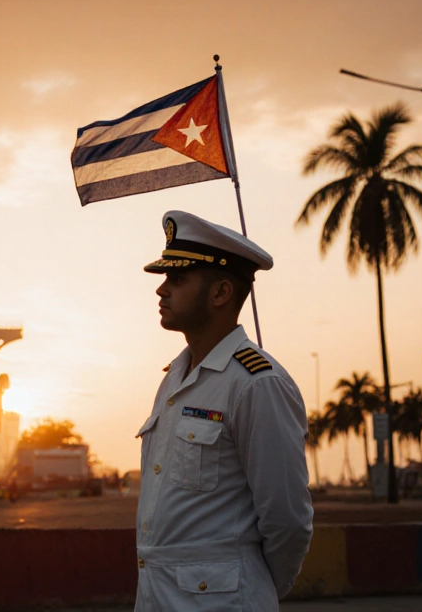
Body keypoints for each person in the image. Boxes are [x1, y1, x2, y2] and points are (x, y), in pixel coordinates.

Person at [134, 211, 313, 612]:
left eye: (177, 279)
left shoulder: (256, 383)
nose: (161, 291)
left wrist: (256, 586)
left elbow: (287, 518)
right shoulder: (173, 380)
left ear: (220, 294)